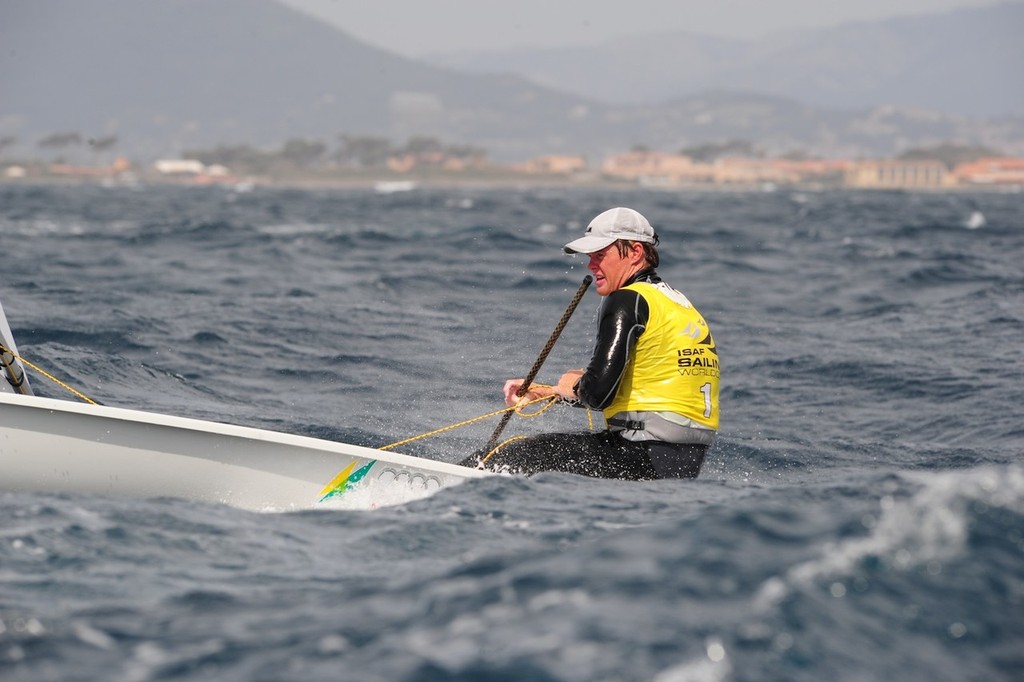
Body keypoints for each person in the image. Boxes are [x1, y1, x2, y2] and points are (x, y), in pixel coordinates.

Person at [467, 206, 719, 480]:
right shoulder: (679, 305)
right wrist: (547, 392)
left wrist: (574, 384)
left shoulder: (626, 299)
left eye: (600, 255)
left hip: (639, 454)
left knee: (502, 455)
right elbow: (645, 386)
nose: (591, 265)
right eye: (590, 256)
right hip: (681, 463)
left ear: (635, 252)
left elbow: (598, 394)